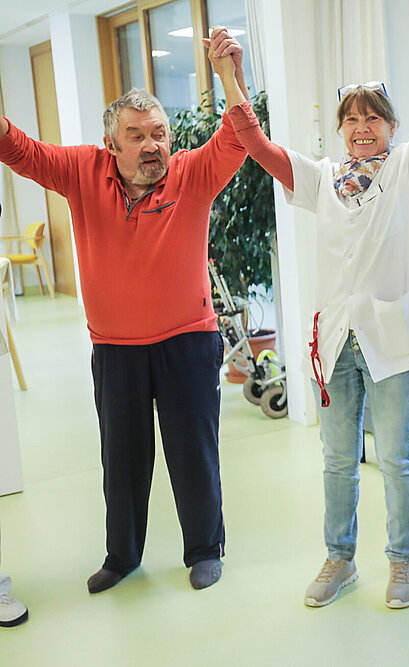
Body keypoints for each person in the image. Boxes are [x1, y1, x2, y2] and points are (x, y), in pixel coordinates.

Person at [204, 27, 409, 609]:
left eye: (373, 118)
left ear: (390, 127)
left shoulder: (405, 169)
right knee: (338, 459)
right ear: (340, 130)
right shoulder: (320, 178)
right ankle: (339, 560)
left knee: (396, 458)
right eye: (352, 120)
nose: (362, 128)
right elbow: (257, 144)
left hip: (394, 341)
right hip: (336, 344)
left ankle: (402, 563)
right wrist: (228, 77)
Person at [0, 34, 250, 594]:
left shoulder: (193, 174)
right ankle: (123, 555)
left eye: (158, 133)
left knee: (194, 456)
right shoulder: (82, 173)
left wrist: (230, 72)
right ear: (111, 144)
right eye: (135, 136)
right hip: (115, 348)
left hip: (187, 339)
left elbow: (238, 137)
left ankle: (205, 550)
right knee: (123, 459)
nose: (151, 144)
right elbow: (18, 149)